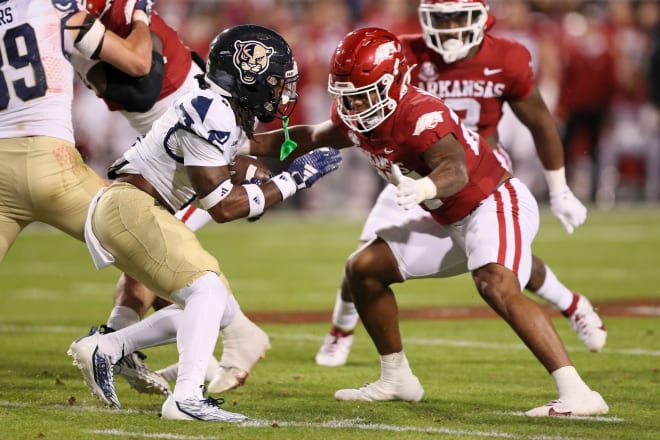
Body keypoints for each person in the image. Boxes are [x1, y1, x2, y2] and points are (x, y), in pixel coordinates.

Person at [246, 26, 608, 416]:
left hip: (492, 202)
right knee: (363, 270)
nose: (354, 108)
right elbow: (315, 135)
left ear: (396, 82)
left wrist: (422, 190)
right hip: (447, 216)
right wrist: (245, 142)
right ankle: (396, 378)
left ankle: (577, 392)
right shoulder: (357, 115)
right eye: (347, 98)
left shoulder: (420, 113)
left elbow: (455, 170)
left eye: (363, 95)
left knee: (496, 283)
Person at [67, 24, 341, 421]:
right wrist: (292, 179)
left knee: (211, 309)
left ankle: (107, 348)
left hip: (137, 210)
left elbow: (263, 146)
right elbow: (222, 206)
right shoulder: (211, 109)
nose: (283, 91)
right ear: (249, 74)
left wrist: (334, 134)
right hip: (130, 207)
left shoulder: (221, 109)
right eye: (276, 81)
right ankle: (186, 398)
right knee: (207, 291)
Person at [314, 0, 607, 368]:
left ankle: (570, 304)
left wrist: (560, 189)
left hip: (478, 168)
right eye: (439, 18)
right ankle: (340, 332)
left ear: (481, 16)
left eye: (457, 16)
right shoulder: (402, 54)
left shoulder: (508, 56)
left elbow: (540, 121)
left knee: (498, 259)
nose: (449, 27)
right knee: (362, 261)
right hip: (411, 172)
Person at [71, 0, 271, 397]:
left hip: (189, 139)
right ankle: (131, 347)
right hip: (182, 144)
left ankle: (117, 342)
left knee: (161, 264)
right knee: (170, 268)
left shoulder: (68, 21)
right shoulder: (78, 15)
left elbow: (140, 79)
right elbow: (141, 78)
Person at [0, 0, 156, 338]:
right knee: (159, 252)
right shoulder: (55, 8)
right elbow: (138, 60)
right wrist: (141, 16)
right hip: (51, 160)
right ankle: (124, 347)